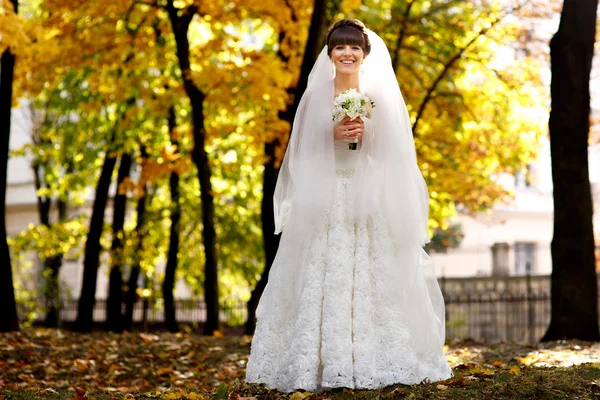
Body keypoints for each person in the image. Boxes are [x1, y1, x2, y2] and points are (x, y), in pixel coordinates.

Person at [245, 18, 452, 392]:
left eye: (354, 47)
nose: (347, 53)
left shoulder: (379, 95)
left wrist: (366, 135)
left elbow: (394, 156)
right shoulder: (315, 96)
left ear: (365, 53)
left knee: (374, 279)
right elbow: (299, 155)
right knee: (316, 277)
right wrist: (331, 134)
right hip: (323, 199)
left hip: (367, 198)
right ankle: (315, 362)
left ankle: (372, 357)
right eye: (340, 47)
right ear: (329, 53)